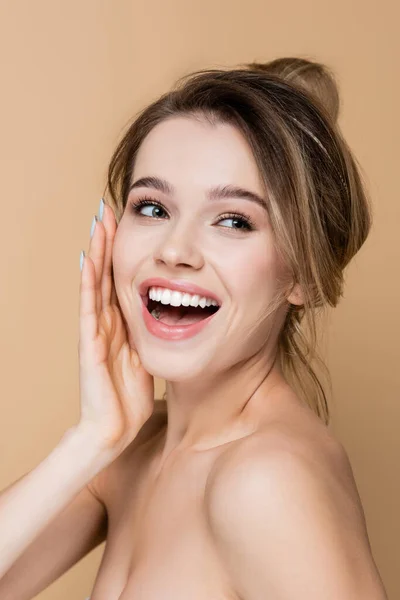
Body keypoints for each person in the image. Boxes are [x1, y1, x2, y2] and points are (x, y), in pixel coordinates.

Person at [0, 57, 388, 599]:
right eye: (153, 207)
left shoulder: (267, 481)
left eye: (233, 220)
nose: (175, 251)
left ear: (302, 273)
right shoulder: (133, 451)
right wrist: (90, 441)